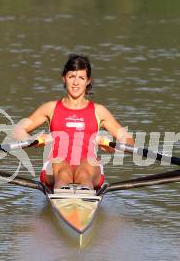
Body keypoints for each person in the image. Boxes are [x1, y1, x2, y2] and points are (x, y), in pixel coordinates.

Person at [12, 54, 133, 190]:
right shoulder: (50, 108)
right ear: (64, 78)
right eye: (71, 77)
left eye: (81, 78)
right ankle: (66, 195)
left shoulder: (99, 111)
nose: (76, 83)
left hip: (89, 168)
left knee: (84, 169)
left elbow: (128, 140)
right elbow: (17, 131)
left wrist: (113, 147)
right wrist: (34, 140)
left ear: (88, 81)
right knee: (62, 168)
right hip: (57, 166)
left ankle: (82, 198)